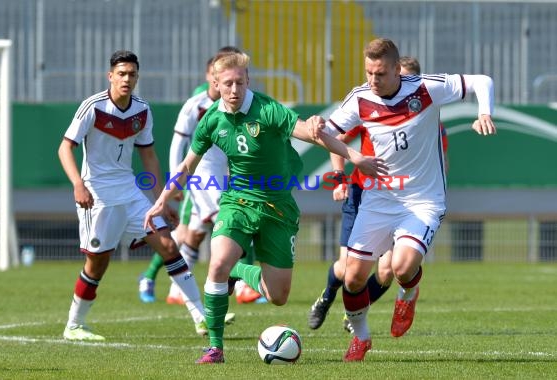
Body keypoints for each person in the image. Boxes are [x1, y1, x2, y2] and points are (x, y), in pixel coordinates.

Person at [143, 49, 386, 364]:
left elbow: (310, 134)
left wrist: (353, 157)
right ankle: (215, 347)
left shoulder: (267, 109)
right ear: (215, 83)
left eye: (240, 83)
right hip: (237, 202)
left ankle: (239, 271)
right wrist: (161, 199)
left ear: (248, 81)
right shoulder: (211, 120)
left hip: (278, 207)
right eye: (227, 83)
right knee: (216, 264)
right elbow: (188, 165)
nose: (234, 90)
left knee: (278, 297)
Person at [307, 38, 496, 362]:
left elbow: (482, 81)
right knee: (352, 276)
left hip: (422, 199)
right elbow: (330, 133)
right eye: (368, 72)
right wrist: (316, 126)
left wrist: (484, 112)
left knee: (401, 266)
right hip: (378, 197)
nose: (373, 80)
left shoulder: (425, 88)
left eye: (380, 73)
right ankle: (362, 337)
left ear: (396, 69)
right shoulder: (360, 98)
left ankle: (408, 292)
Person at [58, 50, 204, 341]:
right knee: (97, 264)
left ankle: (202, 317)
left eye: (132, 74)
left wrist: (161, 200)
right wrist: (78, 184)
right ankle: (74, 324)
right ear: (110, 76)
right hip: (98, 196)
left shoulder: (142, 109)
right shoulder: (93, 107)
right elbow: (64, 148)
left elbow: (149, 157)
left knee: (168, 245)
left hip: (130, 192)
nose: (127, 79)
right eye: (121, 73)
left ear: (138, 76)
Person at [307, 55, 450, 334]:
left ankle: (358, 318)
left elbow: (441, 160)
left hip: (406, 200)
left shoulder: (428, 119)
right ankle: (326, 297)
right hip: (364, 192)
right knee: (346, 267)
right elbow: (336, 142)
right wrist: (340, 179)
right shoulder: (370, 105)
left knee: (387, 271)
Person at [138, 47, 263, 306]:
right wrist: (176, 181)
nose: (230, 84)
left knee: (191, 234)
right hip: (201, 177)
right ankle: (241, 287)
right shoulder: (196, 105)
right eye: (221, 76)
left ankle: (170, 287)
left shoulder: (243, 103)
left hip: (226, 175)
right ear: (211, 75)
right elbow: (178, 144)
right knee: (237, 223)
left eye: (237, 79)